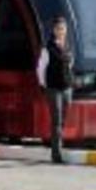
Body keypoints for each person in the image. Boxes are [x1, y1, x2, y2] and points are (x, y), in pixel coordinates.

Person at [35, 16, 73, 164]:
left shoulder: (68, 46)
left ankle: (59, 144)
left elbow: (70, 63)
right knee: (56, 120)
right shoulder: (48, 49)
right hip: (53, 88)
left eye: (63, 29)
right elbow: (40, 69)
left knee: (63, 119)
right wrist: (44, 85)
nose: (61, 31)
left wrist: (70, 81)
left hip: (66, 88)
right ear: (54, 30)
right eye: (58, 29)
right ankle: (56, 154)